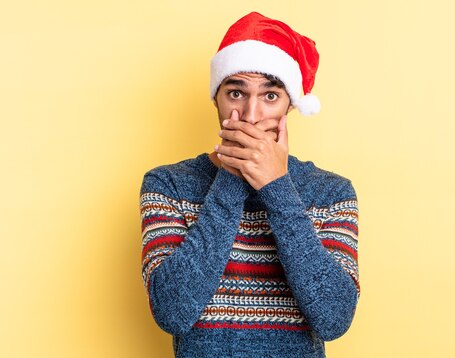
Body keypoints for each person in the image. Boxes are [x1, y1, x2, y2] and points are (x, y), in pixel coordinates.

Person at [140, 12, 359, 357]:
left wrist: (277, 188)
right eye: (236, 93)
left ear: (290, 104)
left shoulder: (331, 192)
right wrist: (232, 176)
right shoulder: (168, 184)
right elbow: (172, 313)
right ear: (216, 97)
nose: (253, 115)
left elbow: (333, 319)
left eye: (270, 96)